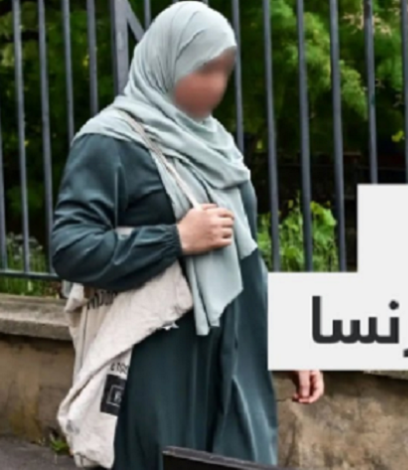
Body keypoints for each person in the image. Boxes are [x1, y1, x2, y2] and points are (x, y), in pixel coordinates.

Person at [50, 3, 324, 469]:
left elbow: (246, 258)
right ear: (167, 62)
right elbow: (71, 249)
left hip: (234, 360)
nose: (217, 84)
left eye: (225, 69)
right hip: (158, 361)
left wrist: (285, 340)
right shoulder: (109, 142)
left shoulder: (216, 144)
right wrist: (174, 239)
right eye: (203, 69)